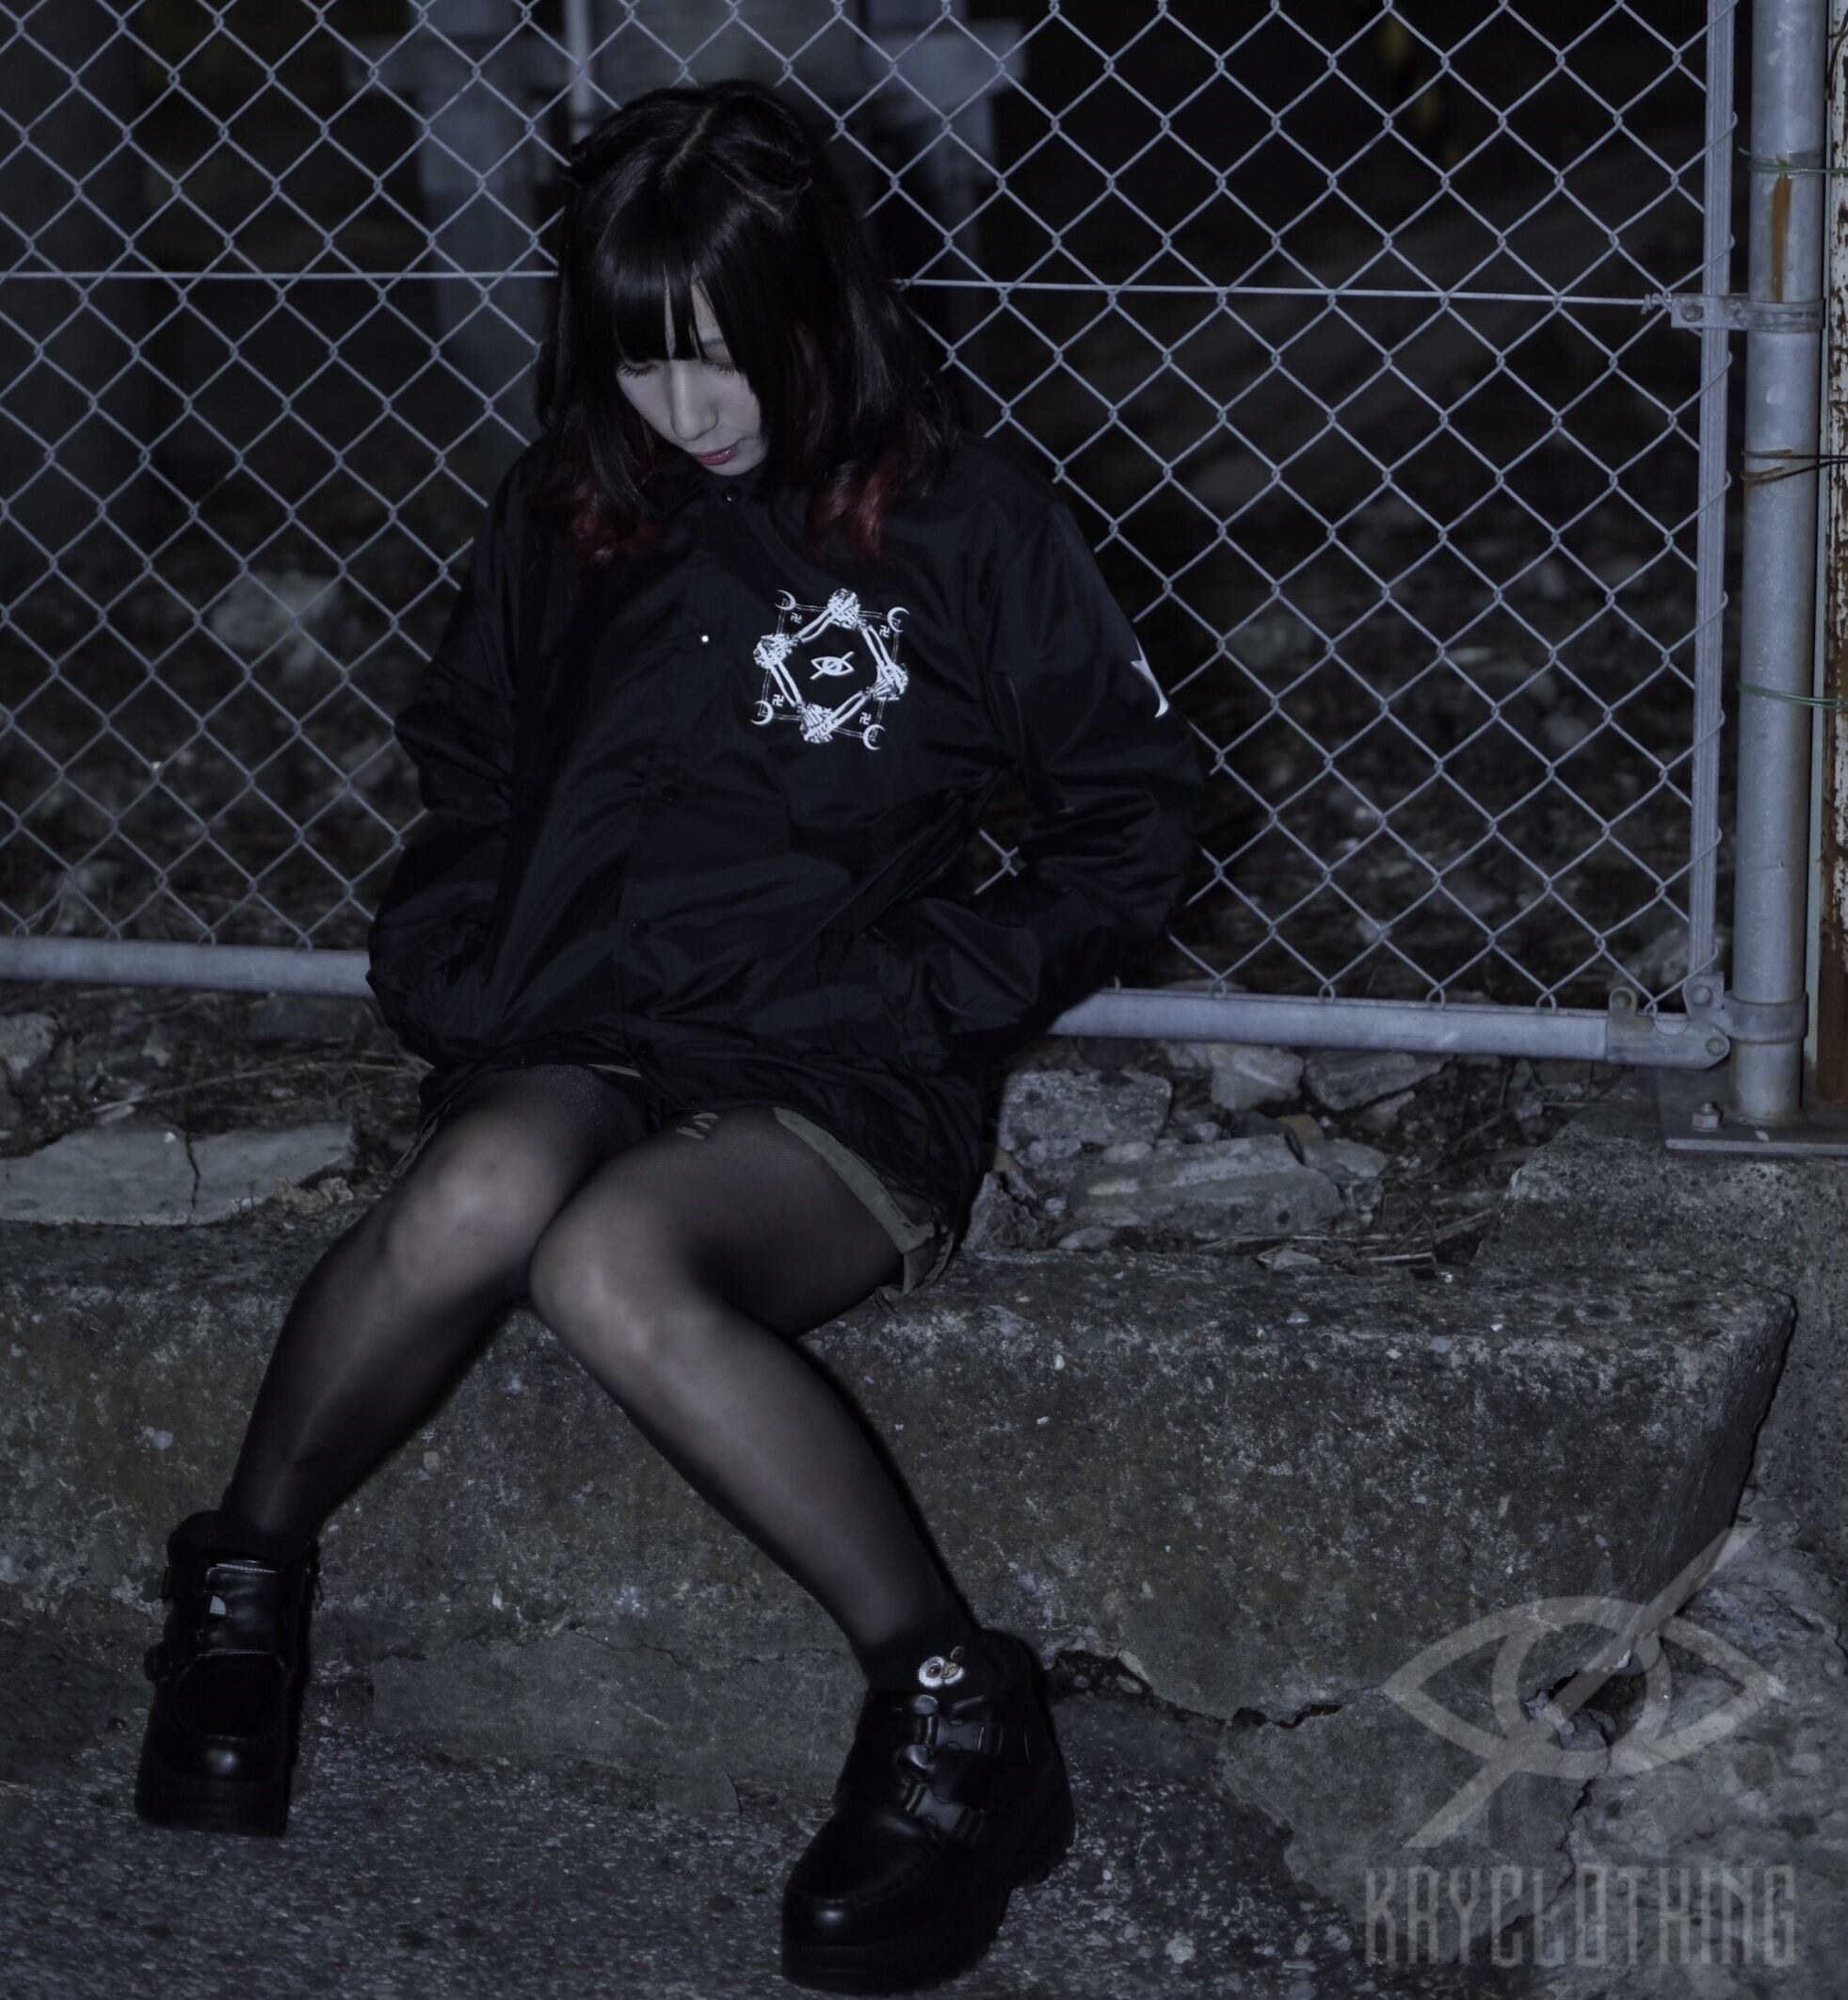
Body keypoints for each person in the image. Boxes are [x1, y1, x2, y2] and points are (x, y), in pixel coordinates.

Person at [133, 76, 1205, 1994]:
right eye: (642, 359)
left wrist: (916, 989)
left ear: (819, 308)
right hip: (586, 1026)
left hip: (828, 1062)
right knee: (481, 1189)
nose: (689, 407)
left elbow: (1129, 822)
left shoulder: (966, 522)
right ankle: (241, 1588)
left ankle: (955, 1711)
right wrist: (452, 947)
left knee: (607, 1262)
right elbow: (469, 759)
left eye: (724, 354)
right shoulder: (573, 506)